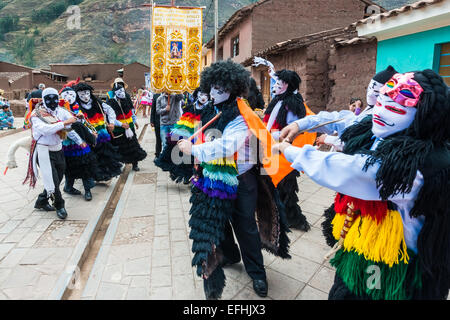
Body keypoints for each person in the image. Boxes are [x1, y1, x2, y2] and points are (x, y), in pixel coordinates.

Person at [274, 69, 450, 300]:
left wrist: (290, 151)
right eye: (380, 101)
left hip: (394, 259)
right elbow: (345, 123)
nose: (380, 110)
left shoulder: (413, 166)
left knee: (366, 292)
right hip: (364, 241)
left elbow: (354, 170)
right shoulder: (383, 131)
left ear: (422, 117)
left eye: (395, 107)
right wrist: (302, 125)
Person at [177, 60, 291, 300]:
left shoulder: (241, 114)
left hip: (241, 179)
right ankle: (229, 254)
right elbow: (206, 136)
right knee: (219, 223)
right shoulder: (214, 109)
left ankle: (257, 273)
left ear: (232, 88)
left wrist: (193, 150)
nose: (213, 93)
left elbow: (227, 146)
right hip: (213, 178)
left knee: (245, 226)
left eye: (220, 89)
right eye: (212, 88)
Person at [23, 88, 79, 219]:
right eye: (48, 98)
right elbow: (46, 130)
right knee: (53, 181)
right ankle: (60, 206)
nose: (52, 101)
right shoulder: (36, 115)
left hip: (58, 149)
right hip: (43, 152)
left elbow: (71, 121)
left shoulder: (61, 111)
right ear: (43, 99)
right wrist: (64, 123)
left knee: (57, 179)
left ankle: (41, 201)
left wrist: (77, 122)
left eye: (55, 97)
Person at [154, 87, 214, 184]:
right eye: (201, 94)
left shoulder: (210, 109)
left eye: (206, 95)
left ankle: (199, 177)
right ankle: (187, 175)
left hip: (204, 135)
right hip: (190, 133)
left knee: (200, 157)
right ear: (197, 94)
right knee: (187, 155)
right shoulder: (191, 107)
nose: (203, 97)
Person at [74, 82, 123, 182]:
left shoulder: (98, 103)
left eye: (87, 93)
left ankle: (105, 174)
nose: (85, 97)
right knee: (92, 158)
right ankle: (94, 176)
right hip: (88, 137)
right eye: (82, 95)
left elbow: (110, 111)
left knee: (105, 156)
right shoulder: (76, 107)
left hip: (102, 135)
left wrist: (112, 123)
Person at [60, 82, 98, 201]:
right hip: (67, 143)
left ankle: (87, 190)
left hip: (82, 141)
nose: (69, 98)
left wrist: (90, 132)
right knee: (69, 166)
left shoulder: (78, 107)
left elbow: (85, 123)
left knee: (85, 165)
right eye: (66, 96)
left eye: (71, 95)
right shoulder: (59, 110)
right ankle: (68, 187)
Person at [105, 83, 147, 171]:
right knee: (120, 147)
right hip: (118, 128)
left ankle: (135, 164)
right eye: (119, 91)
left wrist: (134, 121)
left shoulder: (127, 97)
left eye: (122, 90)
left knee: (133, 145)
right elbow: (110, 117)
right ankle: (119, 164)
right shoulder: (110, 101)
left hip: (129, 126)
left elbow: (132, 111)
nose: (121, 92)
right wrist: (120, 124)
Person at [150, 92, 162, 158]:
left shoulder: (170, 94)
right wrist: (152, 120)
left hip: (168, 122)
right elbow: (153, 109)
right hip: (157, 121)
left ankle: (166, 155)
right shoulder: (156, 95)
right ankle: (157, 154)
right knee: (158, 138)